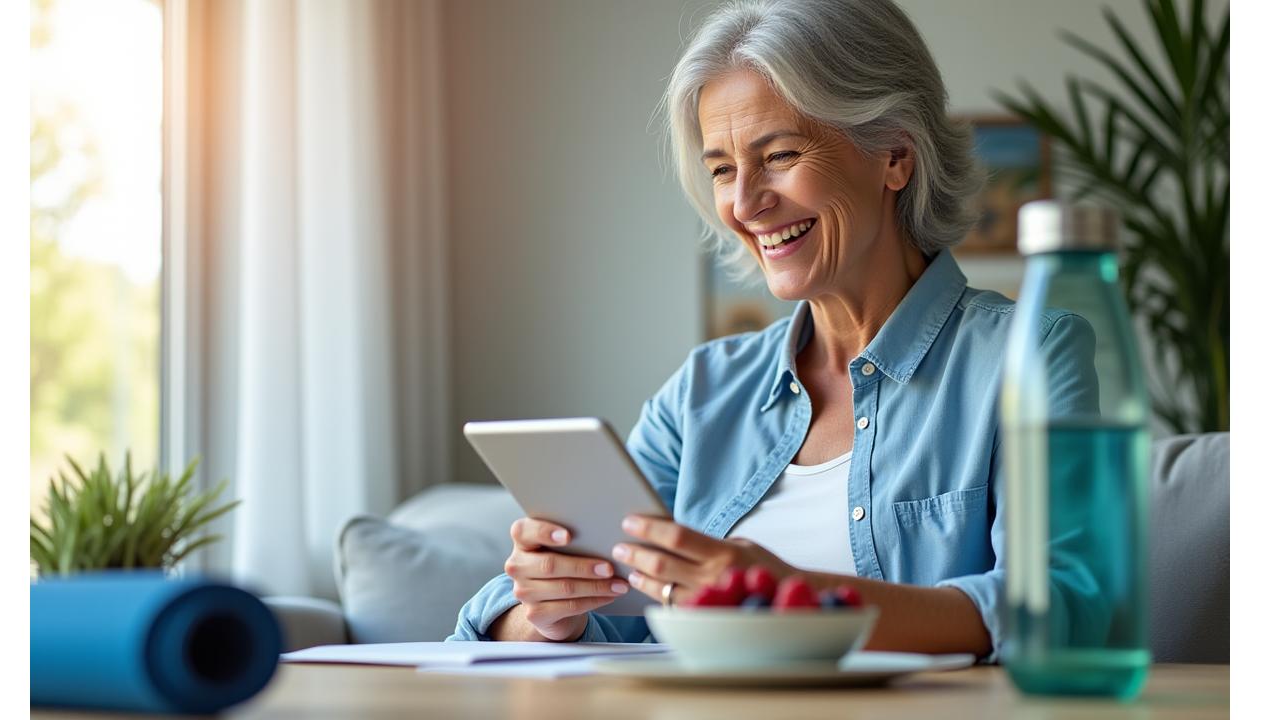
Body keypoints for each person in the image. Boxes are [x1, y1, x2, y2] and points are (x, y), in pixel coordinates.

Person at [449, 0, 1096, 662]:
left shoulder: (1028, 357)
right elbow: (517, 623)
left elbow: (1061, 606)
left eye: (779, 154)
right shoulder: (705, 392)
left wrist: (795, 597)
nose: (743, 203)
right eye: (723, 169)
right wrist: (551, 613)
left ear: (895, 155)